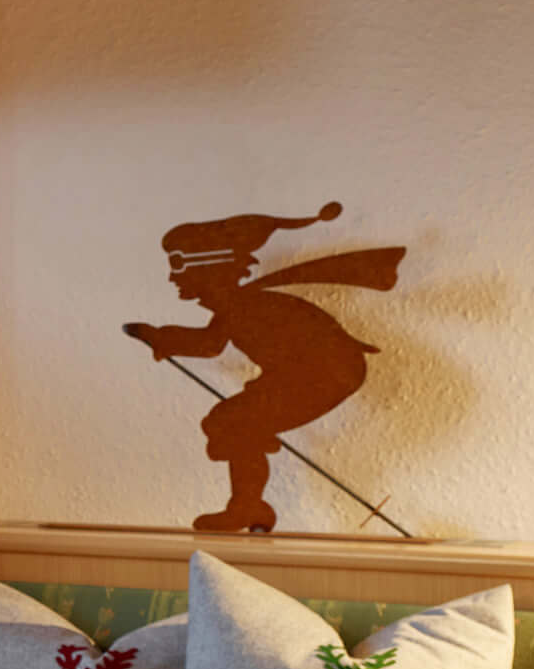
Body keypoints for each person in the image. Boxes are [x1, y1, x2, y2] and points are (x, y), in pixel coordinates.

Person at [122, 204, 402, 533]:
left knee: (234, 422)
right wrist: (158, 337)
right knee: (232, 422)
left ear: (208, 267)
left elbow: (209, 344)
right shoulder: (239, 306)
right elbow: (210, 343)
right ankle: (248, 505)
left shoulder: (245, 306)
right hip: (311, 373)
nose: (172, 277)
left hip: (327, 374)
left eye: (179, 266)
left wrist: (159, 337)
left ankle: (247, 506)